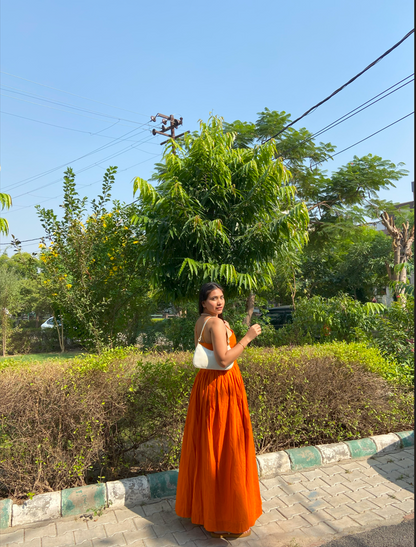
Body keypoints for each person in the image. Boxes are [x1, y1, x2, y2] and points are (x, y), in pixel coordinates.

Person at [175, 282, 263, 539]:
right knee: (227, 449)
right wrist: (247, 338)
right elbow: (224, 359)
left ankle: (207, 514)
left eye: (221, 297)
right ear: (203, 302)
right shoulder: (214, 323)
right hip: (222, 388)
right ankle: (226, 519)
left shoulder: (203, 321)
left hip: (206, 385)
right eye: (214, 299)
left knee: (209, 448)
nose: (219, 302)